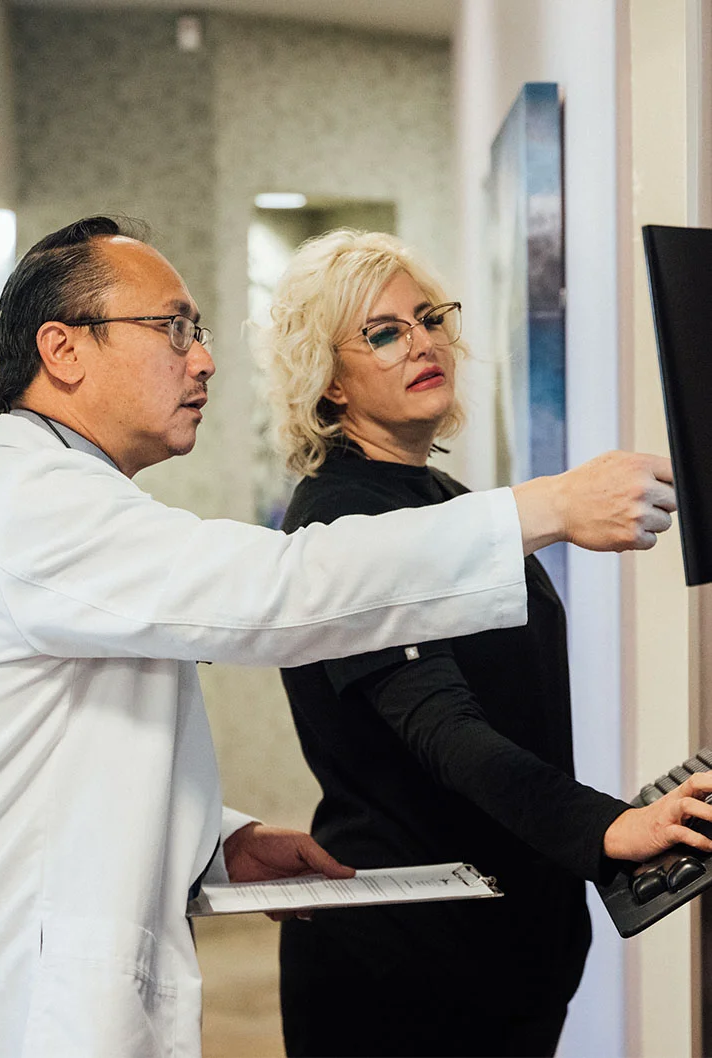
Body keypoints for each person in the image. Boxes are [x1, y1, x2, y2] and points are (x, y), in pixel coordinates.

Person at [0, 216, 688, 1058]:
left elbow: (61, 756)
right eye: (174, 328)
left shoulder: (62, 507)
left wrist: (218, 840)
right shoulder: (32, 509)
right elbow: (282, 592)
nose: (204, 358)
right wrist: (548, 508)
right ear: (64, 349)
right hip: (7, 1015)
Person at [265, 228, 712, 1058]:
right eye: (383, 332)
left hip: (501, 952)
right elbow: (446, 730)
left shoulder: (441, 496)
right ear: (326, 382)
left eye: (427, 317)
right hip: (401, 971)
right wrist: (609, 830)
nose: (423, 341)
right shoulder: (340, 518)